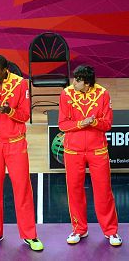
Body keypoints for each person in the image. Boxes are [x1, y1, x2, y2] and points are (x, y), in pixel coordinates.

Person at [0, 55, 43, 252]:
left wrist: (10, 111)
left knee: (22, 189)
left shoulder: (21, 84)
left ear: (5, 70)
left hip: (15, 144)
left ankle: (29, 235)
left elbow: (25, 115)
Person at [59, 65, 122, 247]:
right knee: (74, 191)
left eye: (77, 80)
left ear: (87, 84)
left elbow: (107, 124)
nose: (73, 83)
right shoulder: (66, 94)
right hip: (73, 151)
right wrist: (81, 123)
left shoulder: (103, 94)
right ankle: (79, 230)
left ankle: (111, 231)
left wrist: (94, 122)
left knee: (103, 192)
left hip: (97, 150)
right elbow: (63, 124)